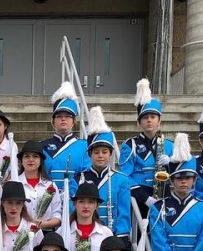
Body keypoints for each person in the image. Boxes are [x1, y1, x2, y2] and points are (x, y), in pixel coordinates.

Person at [119, 78, 174, 217]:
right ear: (139, 122)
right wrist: (145, 198)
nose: (149, 120)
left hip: (164, 195)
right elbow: (125, 177)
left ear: (159, 121)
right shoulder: (129, 145)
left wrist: (171, 164)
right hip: (139, 198)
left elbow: (181, 175)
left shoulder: (169, 145)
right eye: (145, 117)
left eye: (153, 117)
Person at [75, 107, 132, 238]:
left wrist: (120, 237)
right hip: (84, 235)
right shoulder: (78, 179)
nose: (100, 156)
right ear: (89, 154)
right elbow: (73, 209)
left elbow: (124, 213)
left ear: (111, 154)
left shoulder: (121, 179)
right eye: (96, 152)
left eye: (105, 152)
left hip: (112, 236)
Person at [42, 81, 89, 190]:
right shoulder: (42, 146)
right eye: (59, 116)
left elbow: (87, 174)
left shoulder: (85, 146)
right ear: (53, 121)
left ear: (74, 121)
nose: (63, 119)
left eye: (68, 116)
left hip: (75, 199)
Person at [70, 183, 114, 251]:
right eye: (81, 202)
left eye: (90, 202)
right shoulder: (63, 231)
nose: (86, 206)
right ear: (75, 204)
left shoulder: (106, 233)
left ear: (96, 205)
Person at [19, 140, 62, 231]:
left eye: (35, 156)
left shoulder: (50, 185)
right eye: (27, 156)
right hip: (20, 233)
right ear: (21, 160)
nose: (31, 160)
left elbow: (57, 215)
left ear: (41, 161)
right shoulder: (15, 183)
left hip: (46, 233)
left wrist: (45, 224)